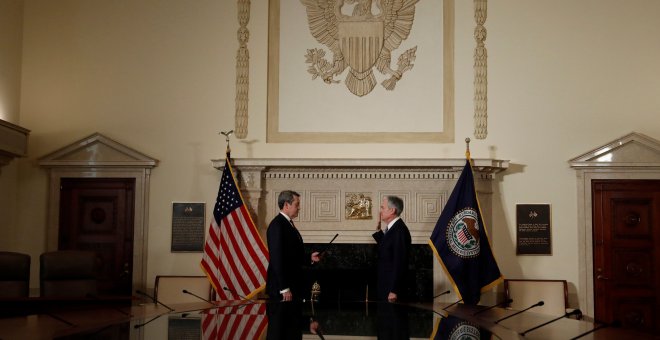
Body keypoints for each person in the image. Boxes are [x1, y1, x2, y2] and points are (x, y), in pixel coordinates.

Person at [266, 190, 320, 302]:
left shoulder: (287, 224)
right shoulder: (277, 225)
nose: (299, 208)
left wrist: (309, 258)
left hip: (292, 285)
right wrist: (284, 288)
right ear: (286, 205)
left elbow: (291, 255)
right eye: (297, 204)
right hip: (282, 289)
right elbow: (277, 259)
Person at [372, 195, 411, 302]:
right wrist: (378, 230)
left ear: (392, 210)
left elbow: (400, 262)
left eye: (382, 207)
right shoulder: (393, 229)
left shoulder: (399, 230)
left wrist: (394, 290)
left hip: (392, 291)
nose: (380, 211)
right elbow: (387, 249)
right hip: (386, 287)